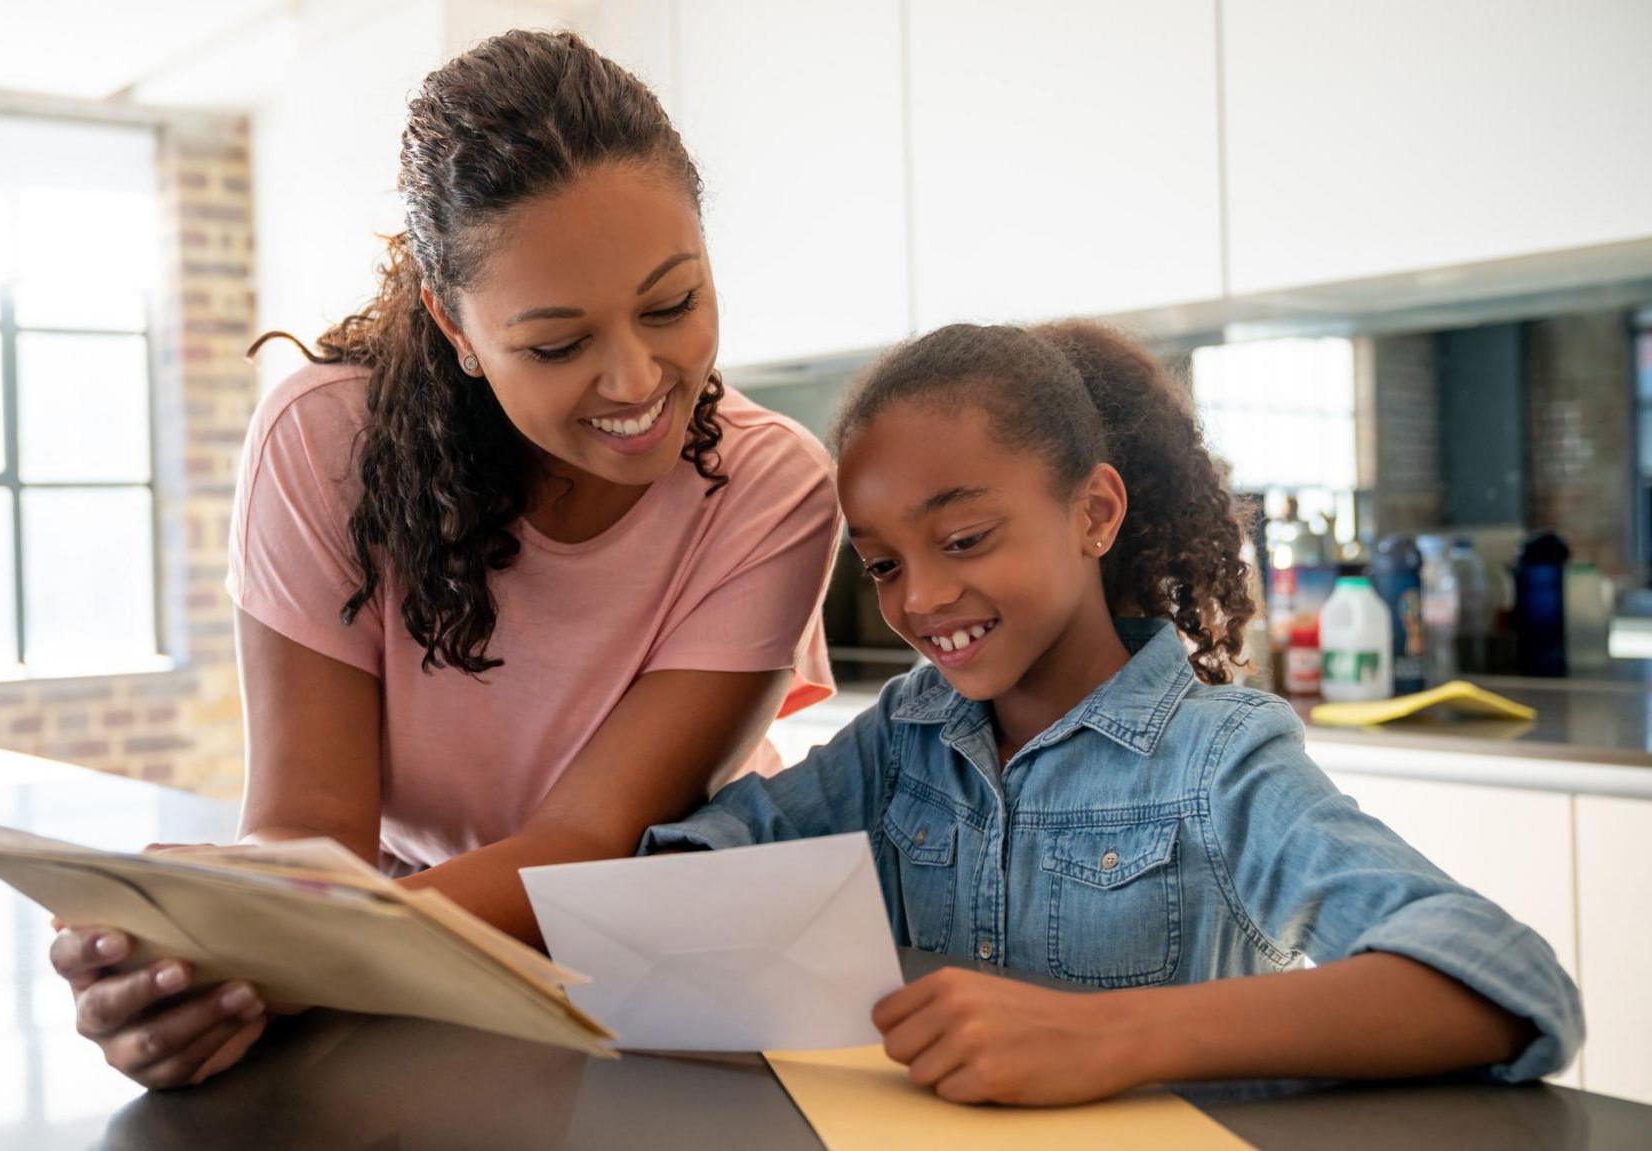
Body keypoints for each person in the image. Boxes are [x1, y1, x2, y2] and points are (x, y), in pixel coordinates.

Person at [47, 29, 840, 1090]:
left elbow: (593, 838)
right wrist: (198, 964)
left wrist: (286, 946)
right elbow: (304, 827)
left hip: (659, 967)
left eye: (671, 303)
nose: (637, 377)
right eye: (555, 343)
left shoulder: (772, 486)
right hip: (393, 955)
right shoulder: (321, 443)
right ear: (452, 325)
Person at [641, 321, 1583, 1105]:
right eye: (884, 563)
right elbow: (682, 873)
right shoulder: (905, 737)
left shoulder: (1217, 759)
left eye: (964, 538)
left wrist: (1106, 1034)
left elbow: (1504, 981)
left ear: (1094, 512)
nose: (919, 599)